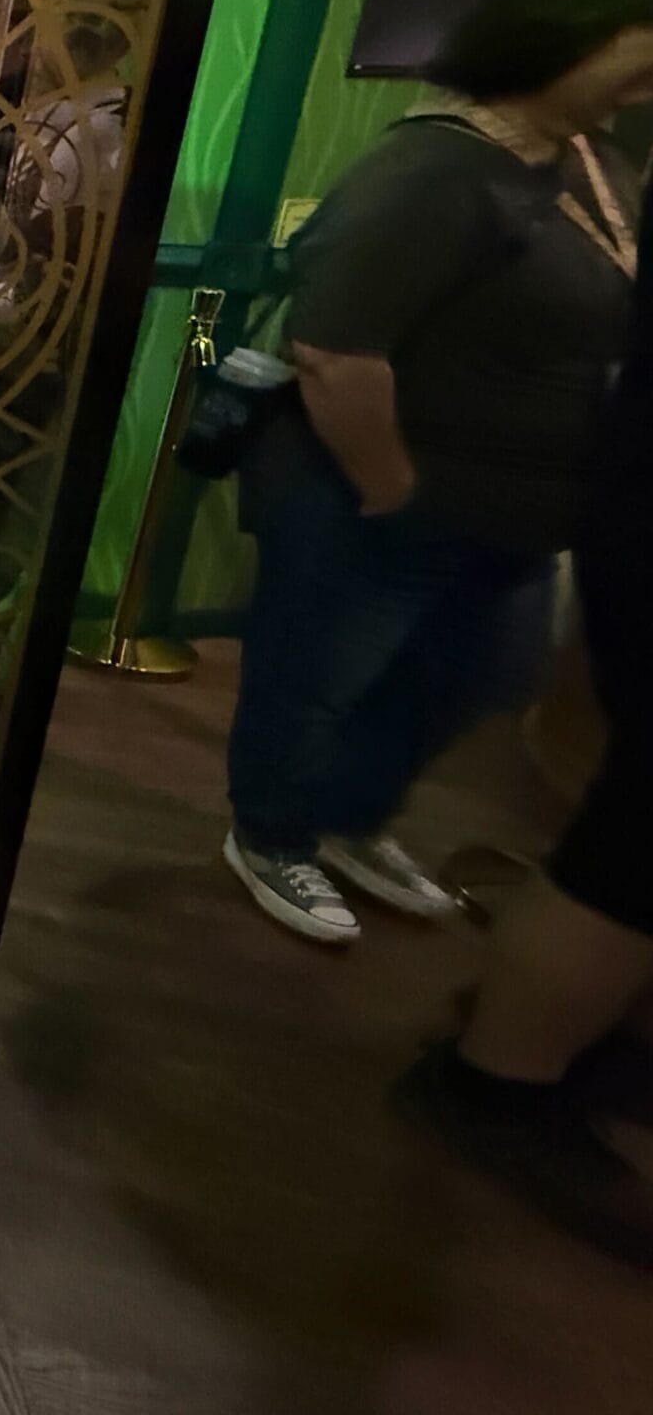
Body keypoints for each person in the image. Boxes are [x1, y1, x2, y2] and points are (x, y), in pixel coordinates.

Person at [223, 0, 653, 942]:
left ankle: (347, 823)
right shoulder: (429, 172)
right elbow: (334, 354)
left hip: (506, 520)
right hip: (378, 506)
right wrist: (389, 487)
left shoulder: (587, 159)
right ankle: (271, 836)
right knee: (315, 685)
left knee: (464, 686)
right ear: (567, 33)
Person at [397, 144, 653, 1266]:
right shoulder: (445, 169)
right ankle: (497, 1078)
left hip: (617, 504)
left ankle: (562, 1044)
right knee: (635, 839)